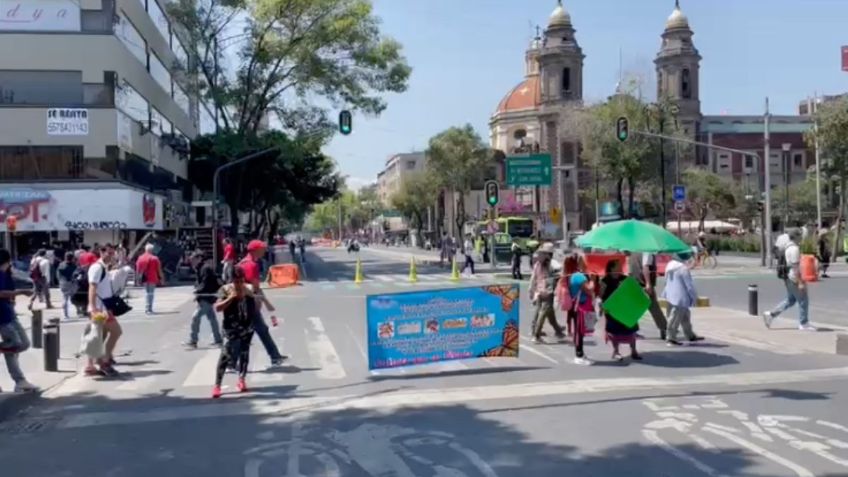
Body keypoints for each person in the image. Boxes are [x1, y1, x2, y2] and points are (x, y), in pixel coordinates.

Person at [239, 240, 285, 367]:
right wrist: (262, 302)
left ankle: (275, 356)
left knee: (260, 330)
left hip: (243, 301)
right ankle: (232, 362)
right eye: (262, 249)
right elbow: (255, 287)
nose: (264, 251)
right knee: (245, 334)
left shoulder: (244, 263)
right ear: (255, 250)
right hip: (249, 302)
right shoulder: (252, 265)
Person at [212, 266, 256, 398]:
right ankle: (217, 385)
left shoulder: (248, 289)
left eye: (241, 281)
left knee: (244, 352)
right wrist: (231, 298)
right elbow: (218, 308)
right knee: (225, 355)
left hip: (246, 327)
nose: (239, 284)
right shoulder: (225, 290)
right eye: (236, 281)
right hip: (230, 327)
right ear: (232, 280)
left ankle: (241, 379)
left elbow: (254, 307)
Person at [0, 248, 38, 393]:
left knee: (21, 344)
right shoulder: (1, 274)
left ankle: (20, 381)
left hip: (9, 313)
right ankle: (20, 380)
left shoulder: (7, 273)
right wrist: (20, 292)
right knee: (15, 344)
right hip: (3, 316)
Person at [764, 228, 815, 331]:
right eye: (800, 235)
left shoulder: (787, 247)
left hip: (788, 277)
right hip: (794, 278)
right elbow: (796, 267)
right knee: (803, 300)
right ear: (796, 236)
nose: (801, 237)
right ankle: (803, 323)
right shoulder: (795, 249)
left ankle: (771, 314)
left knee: (790, 300)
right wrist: (800, 282)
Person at [85, 244, 122, 377]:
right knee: (116, 331)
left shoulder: (103, 267)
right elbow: (92, 288)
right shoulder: (97, 267)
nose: (111, 256)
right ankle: (104, 361)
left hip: (103, 307)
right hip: (100, 308)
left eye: (113, 253)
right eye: (109, 253)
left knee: (97, 336)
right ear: (101, 252)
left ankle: (91, 365)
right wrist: (93, 308)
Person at [601, 259, 641, 361]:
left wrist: (633, 281)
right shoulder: (605, 280)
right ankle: (616, 351)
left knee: (631, 329)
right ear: (611, 268)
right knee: (614, 331)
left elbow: (634, 290)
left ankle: (634, 351)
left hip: (626, 308)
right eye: (617, 266)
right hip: (612, 309)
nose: (620, 267)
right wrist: (603, 306)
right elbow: (601, 295)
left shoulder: (625, 279)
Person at [662, 252, 705, 346]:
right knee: (675, 319)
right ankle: (670, 338)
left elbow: (665, 281)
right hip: (680, 297)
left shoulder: (669, 265)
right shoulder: (683, 268)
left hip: (670, 295)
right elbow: (689, 285)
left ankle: (690, 335)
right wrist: (694, 297)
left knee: (685, 317)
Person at [184, 252, 223, 348]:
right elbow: (201, 283)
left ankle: (193, 340)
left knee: (196, 317)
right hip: (206, 296)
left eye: (193, 259)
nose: (191, 261)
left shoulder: (205, 268)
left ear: (199, 258)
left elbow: (206, 284)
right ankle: (218, 339)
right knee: (212, 318)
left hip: (207, 297)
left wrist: (197, 292)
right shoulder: (200, 268)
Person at [627, 251, 668, 340]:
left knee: (633, 307)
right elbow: (646, 267)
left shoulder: (633, 252)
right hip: (643, 283)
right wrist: (648, 283)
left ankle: (631, 330)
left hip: (635, 282)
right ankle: (664, 327)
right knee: (653, 306)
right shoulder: (647, 252)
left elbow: (630, 270)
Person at [528, 243, 565, 343]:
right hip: (548, 292)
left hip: (539, 291)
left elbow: (533, 279)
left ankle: (558, 331)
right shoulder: (552, 263)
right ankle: (536, 335)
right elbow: (560, 271)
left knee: (548, 312)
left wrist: (531, 290)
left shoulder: (537, 264)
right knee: (543, 313)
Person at [568, 254, 595, 365]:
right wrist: (593, 279)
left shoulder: (579, 275)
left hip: (579, 306)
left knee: (581, 331)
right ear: (580, 263)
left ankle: (581, 353)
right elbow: (589, 289)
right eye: (586, 262)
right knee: (579, 331)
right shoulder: (579, 277)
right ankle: (578, 355)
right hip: (579, 307)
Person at [135, 244, 164, 315]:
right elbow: (159, 270)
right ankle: (149, 309)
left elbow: (138, 269)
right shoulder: (155, 258)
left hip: (144, 278)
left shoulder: (140, 258)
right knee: (151, 293)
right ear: (151, 250)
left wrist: (137, 279)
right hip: (152, 278)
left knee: (147, 293)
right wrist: (162, 278)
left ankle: (147, 308)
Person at [57, 252, 78, 321]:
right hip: (71, 283)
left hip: (63, 282)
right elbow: (76, 274)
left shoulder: (61, 265)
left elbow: (58, 275)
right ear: (72, 258)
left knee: (65, 298)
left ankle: (65, 314)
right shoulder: (74, 266)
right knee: (73, 296)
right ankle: (78, 310)